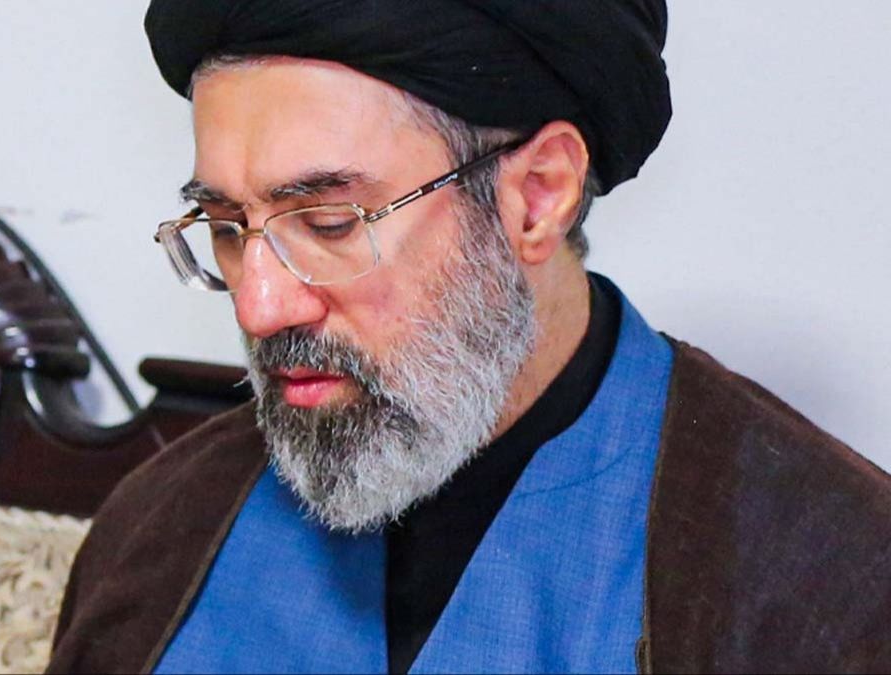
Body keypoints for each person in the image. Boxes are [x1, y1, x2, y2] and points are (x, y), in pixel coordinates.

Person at [48, 1, 891, 673]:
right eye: (228, 226)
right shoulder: (162, 528)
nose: (259, 306)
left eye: (330, 222)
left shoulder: (830, 579)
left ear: (538, 195)